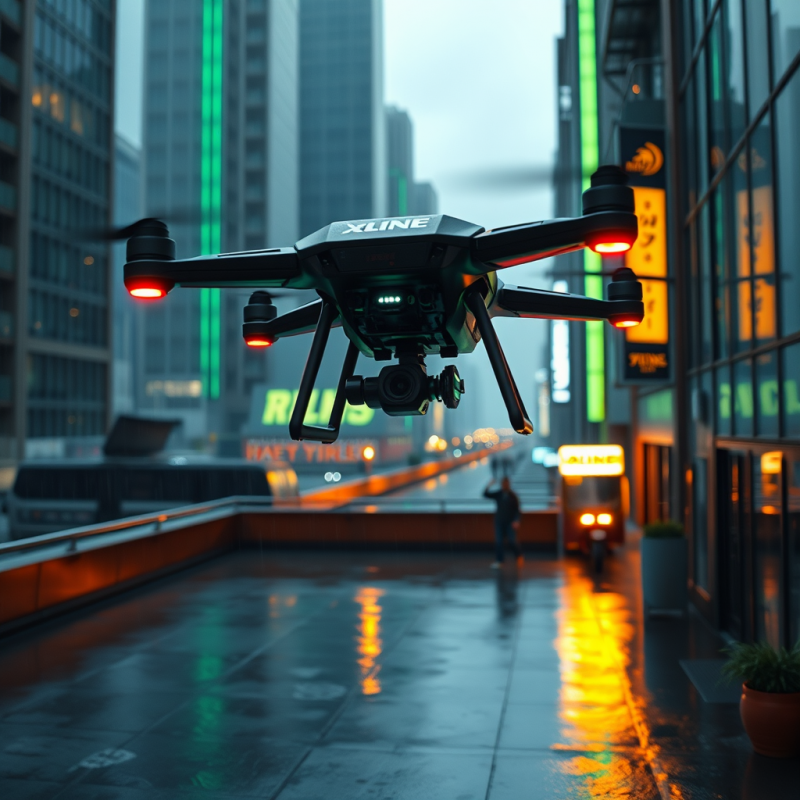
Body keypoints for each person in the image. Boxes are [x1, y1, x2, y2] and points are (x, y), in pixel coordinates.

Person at [483, 476, 524, 568]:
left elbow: (517, 510)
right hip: (499, 521)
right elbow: (485, 494)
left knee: (512, 541)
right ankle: (499, 561)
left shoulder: (513, 496)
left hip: (510, 522)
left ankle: (518, 556)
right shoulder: (499, 494)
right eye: (503, 484)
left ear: (508, 484)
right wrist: (489, 485)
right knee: (499, 542)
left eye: (506, 483)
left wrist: (516, 520)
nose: (505, 485)